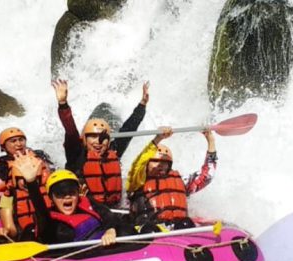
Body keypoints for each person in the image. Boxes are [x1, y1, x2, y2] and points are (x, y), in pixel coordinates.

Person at [51, 79, 150, 208]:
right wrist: (63, 104)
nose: (98, 142)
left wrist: (142, 105)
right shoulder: (76, 153)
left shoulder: (113, 151)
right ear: (84, 139)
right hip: (85, 210)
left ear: (108, 141)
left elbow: (130, 128)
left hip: (112, 210)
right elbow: (70, 129)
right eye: (92, 137)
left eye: (103, 138)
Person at [13, 156, 122, 246]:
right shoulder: (49, 221)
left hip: (104, 252)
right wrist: (31, 183)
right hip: (74, 260)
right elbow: (40, 208)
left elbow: (108, 215)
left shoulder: (87, 203)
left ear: (78, 193)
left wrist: (110, 230)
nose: (67, 197)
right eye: (60, 193)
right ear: (51, 198)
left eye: (71, 192)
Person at [125, 127, 218, 232]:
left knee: (186, 223)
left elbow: (206, 176)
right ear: (147, 164)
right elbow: (138, 163)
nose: (160, 165)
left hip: (177, 229)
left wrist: (210, 141)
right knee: (150, 229)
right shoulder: (137, 181)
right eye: (155, 161)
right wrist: (158, 139)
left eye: (165, 163)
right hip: (148, 230)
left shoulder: (180, 181)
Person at [0, 127, 55, 240]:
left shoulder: (39, 156)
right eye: (13, 141)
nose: (19, 144)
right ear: (3, 146)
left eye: (21, 140)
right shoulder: (1, 166)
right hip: (26, 233)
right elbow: (10, 227)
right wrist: (6, 231)